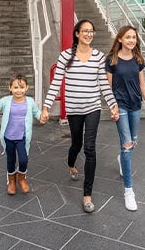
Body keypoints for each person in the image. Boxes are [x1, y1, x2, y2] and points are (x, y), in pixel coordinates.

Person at [41, 19, 118, 213]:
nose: (88, 34)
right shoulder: (66, 56)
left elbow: (103, 84)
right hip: (74, 110)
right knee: (77, 143)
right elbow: (56, 83)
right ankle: (71, 163)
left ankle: (87, 194)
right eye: (85, 31)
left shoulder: (99, 57)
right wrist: (46, 107)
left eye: (91, 31)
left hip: (93, 108)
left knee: (90, 148)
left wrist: (113, 105)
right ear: (77, 34)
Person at [105, 26, 145, 211]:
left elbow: (142, 85)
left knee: (133, 142)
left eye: (134, 37)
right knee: (127, 145)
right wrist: (113, 107)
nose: (131, 40)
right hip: (121, 106)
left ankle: (121, 159)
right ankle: (129, 191)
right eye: (128, 37)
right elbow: (108, 88)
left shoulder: (138, 59)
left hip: (136, 105)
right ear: (119, 39)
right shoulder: (111, 60)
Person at [0, 74, 43, 195]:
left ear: (27, 88)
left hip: (22, 138)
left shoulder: (30, 101)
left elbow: (37, 113)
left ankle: (21, 178)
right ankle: (11, 181)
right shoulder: (5, 101)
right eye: (15, 87)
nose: (19, 90)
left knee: (23, 160)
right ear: (10, 88)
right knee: (10, 160)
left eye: (21, 87)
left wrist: (42, 117)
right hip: (8, 138)